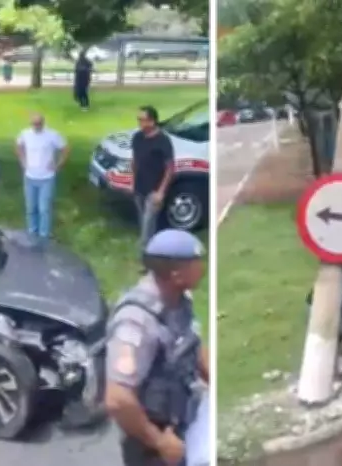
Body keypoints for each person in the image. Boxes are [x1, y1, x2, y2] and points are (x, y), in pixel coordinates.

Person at [104, 229, 209, 466]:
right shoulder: (136, 322)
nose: (202, 268)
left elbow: (192, 343)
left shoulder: (179, 300)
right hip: (152, 441)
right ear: (176, 275)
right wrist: (160, 442)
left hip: (182, 416)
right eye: (196, 263)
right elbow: (118, 398)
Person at [16, 113, 69, 244]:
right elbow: (18, 146)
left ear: (43, 123)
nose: (36, 126)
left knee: (44, 209)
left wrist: (58, 165)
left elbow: (65, 149)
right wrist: (23, 161)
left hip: (46, 178)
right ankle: (32, 232)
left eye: (39, 124)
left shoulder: (52, 135)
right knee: (30, 207)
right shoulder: (25, 134)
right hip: (30, 177)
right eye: (34, 124)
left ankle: (43, 236)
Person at [131, 106, 175, 249]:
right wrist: (132, 182)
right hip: (139, 188)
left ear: (152, 121)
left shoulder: (163, 141)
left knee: (148, 225)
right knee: (143, 221)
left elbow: (170, 168)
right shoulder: (137, 137)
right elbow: (134, 160)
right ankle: (152, 246)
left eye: (142, 120)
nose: (139, 123)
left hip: (154, 190)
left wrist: (161, 192)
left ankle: (146, 253)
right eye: (138, 119)